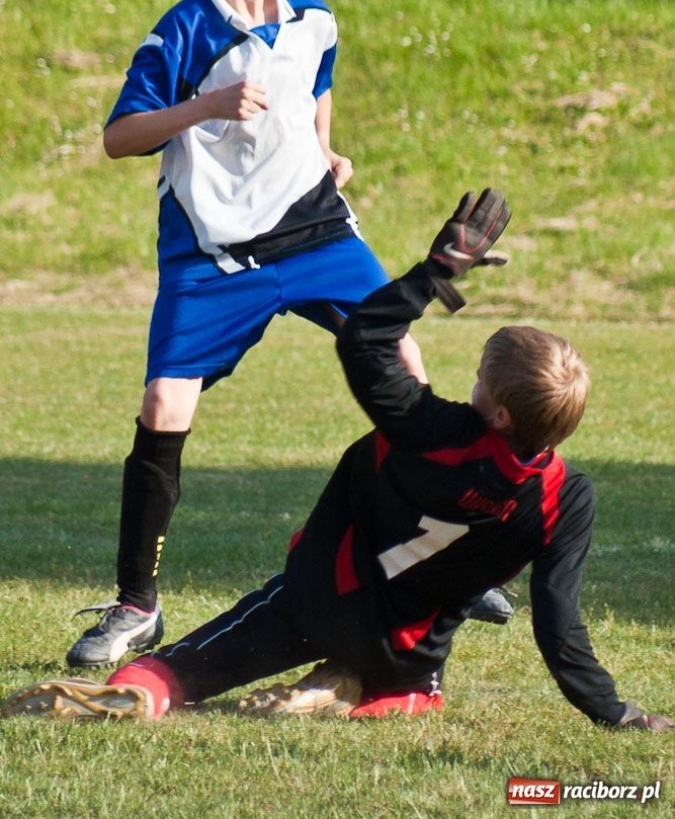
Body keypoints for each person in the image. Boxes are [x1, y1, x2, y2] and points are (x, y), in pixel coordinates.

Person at [66, 0, 508, 668]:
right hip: (213, 253)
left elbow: (316, 85)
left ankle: (442, 551)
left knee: (399, 355)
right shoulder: (181, 31)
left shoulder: (315, 18)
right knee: (164, 402)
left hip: (315, 232)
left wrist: (325, 150)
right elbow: (117, 137)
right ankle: (135, 606)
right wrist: (203, 106)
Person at [6, 190, 671, 729]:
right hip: (405, 651)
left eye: (480, 378)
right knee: (413, 671)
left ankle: (145, 690)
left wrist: (435, 273)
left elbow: (365, 341)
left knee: (180, 668)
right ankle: (381, 692)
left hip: (316, 599)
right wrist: (613, 711)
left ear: (496, 412)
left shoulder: (431, 428)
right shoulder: (567, 497)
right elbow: (557, 622)